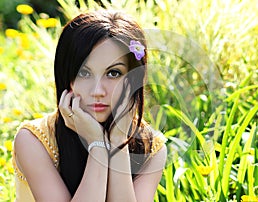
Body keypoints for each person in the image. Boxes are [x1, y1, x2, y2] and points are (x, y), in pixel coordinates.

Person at [12, 10, 167, 201]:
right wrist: (98, 147)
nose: (97, 91)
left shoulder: (151, 147)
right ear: (67, 77)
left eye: (113, 73)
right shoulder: (34, 140)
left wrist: (118, 140)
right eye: (84, 73)